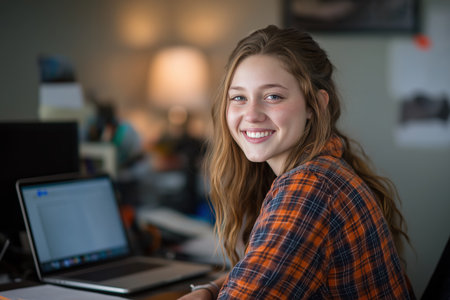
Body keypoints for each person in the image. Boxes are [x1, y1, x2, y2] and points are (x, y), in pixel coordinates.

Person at [179, 25, 415, 299]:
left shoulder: (309, 189)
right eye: (239, 97)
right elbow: (263, 269)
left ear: (314, 105)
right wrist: (209, 290)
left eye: (273, 96)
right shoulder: (324, 171)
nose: (251, 114)